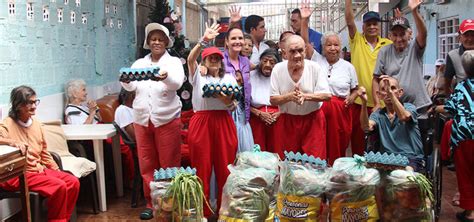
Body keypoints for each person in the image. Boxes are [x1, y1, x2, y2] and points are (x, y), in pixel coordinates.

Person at [120, 23, 184, 220]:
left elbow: (177, 83)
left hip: (167, 119)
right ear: (148, 42)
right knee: (147, 165)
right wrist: (125, 79)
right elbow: (130, 87)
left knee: (169, 164)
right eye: (153, 39)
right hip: (142, 119)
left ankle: (169, 204)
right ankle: (152, 203)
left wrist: (165, 77)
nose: (156, 42)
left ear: (166, 42)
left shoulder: (173, 62)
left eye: (160, 39)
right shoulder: (139, 63)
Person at [0, 86, 80, 222]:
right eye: (29, 103)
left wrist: (57, 170)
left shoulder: (37, 124)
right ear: (18, 105)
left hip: (37, 170)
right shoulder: (7, 124)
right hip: (19, 174)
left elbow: (44, 153)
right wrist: (11, 141)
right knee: (59, 186)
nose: (34, 106)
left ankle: (62, 218)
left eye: (35, 102)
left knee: (72, 182)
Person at [187, 22, 238, 218]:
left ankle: (225, 212)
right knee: (202, 168)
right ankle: (204, 213)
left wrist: (223, 97)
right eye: (210, 58)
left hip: (224, 122)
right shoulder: (198, 76)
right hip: (202, 121)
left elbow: (233, 105)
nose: (214, 61)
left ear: (222, 61)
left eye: (217, 58)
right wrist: (203, 40)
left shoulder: (229, 79)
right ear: (204, 61)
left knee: (226, 167)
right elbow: (190, 58)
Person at [300, 5, 358, 164]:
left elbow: (355, 89)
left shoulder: (348, 67)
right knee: (318, 143)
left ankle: (336, 176)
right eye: (329, 45)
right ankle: (319, 175)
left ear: (340, 47)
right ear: (323, 47)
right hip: (319, 108)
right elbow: (304, 42)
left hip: (341, 111)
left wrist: (352, 97)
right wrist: (305, 20)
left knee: (339, 145)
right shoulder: (317, 60)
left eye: (336, 45)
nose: (333, 48)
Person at [270, 35, 331, 159]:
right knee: (287, 162)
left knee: (315, 162)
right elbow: (273, 99)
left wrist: (305, 96)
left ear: (305, 50)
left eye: (300, 50)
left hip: (312, 121)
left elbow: (327, 95)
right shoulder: (278, 69)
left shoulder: (314, 67)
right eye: (292, 51)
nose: (297, 55)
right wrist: (290, 97)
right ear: (285, 53)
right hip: (287, 122)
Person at [344, 0, 392, 155]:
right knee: (359, 143)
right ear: (363, 26)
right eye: (368, 24)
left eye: (375, 24)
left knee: (383, 142)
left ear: (380, 26)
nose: (372, 27)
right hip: (360, 102)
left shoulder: (388, 44)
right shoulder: (357, 41)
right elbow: (350, 22)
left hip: (384, 102)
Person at [435, 50, 474, 221]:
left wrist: (435, 108)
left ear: (465, 69)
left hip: (465, 135)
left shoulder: (462, 87)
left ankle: (470, 211)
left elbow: (450, 108)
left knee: (465, 172)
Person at [373, 1, 431, 112]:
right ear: (389, 36)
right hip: (394, 107)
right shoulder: (384, 51)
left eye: (402, 34)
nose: (399, 39)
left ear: (410, 34)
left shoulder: (415, 47)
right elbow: (376, 79)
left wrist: (414, 11)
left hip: (418, 106)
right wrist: (377, 103)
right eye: (395, 35)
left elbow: (423, 33)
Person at [359, 77, 424, 170]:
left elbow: (404, 117)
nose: (388, 92)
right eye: (384, 89)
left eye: (393, 88)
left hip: (411, 158)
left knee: (404, 176)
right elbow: (366, 127)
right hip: (386, 159)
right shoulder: (378, 114)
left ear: (400, 92)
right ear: (379, 95)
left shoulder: (409, 107)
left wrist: (390, 94)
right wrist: (364, 103)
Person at [222, 26, 255, 153]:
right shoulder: (220, 59)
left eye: (240, 38)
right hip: (226, 110)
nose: (237, 41)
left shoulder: (245, 61)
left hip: (242, 110)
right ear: (226, 41)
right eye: (233, 38)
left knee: (244, 150)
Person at [249, 48, 284, 156]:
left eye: (272, 62)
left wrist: (279, 113)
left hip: (277, 118)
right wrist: (258, 113)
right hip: (256, 118)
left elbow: (290, 99)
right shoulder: (250, 76)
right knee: (258, 153)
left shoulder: (282, 76)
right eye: (264, 61)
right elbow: (242, 102)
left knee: (278, 151)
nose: (268, 65)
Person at [443, 19, 474, 95]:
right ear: (459, 37)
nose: (470, 39)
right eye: (466, 35)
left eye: (473, 35)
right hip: (464, 101)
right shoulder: (453, 55)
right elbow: (447, 82)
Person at [114, 88, 136, 187]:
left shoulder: (131, 109)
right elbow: (134, 137)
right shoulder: (123, 110)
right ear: (131, 96)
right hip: (137, 147)